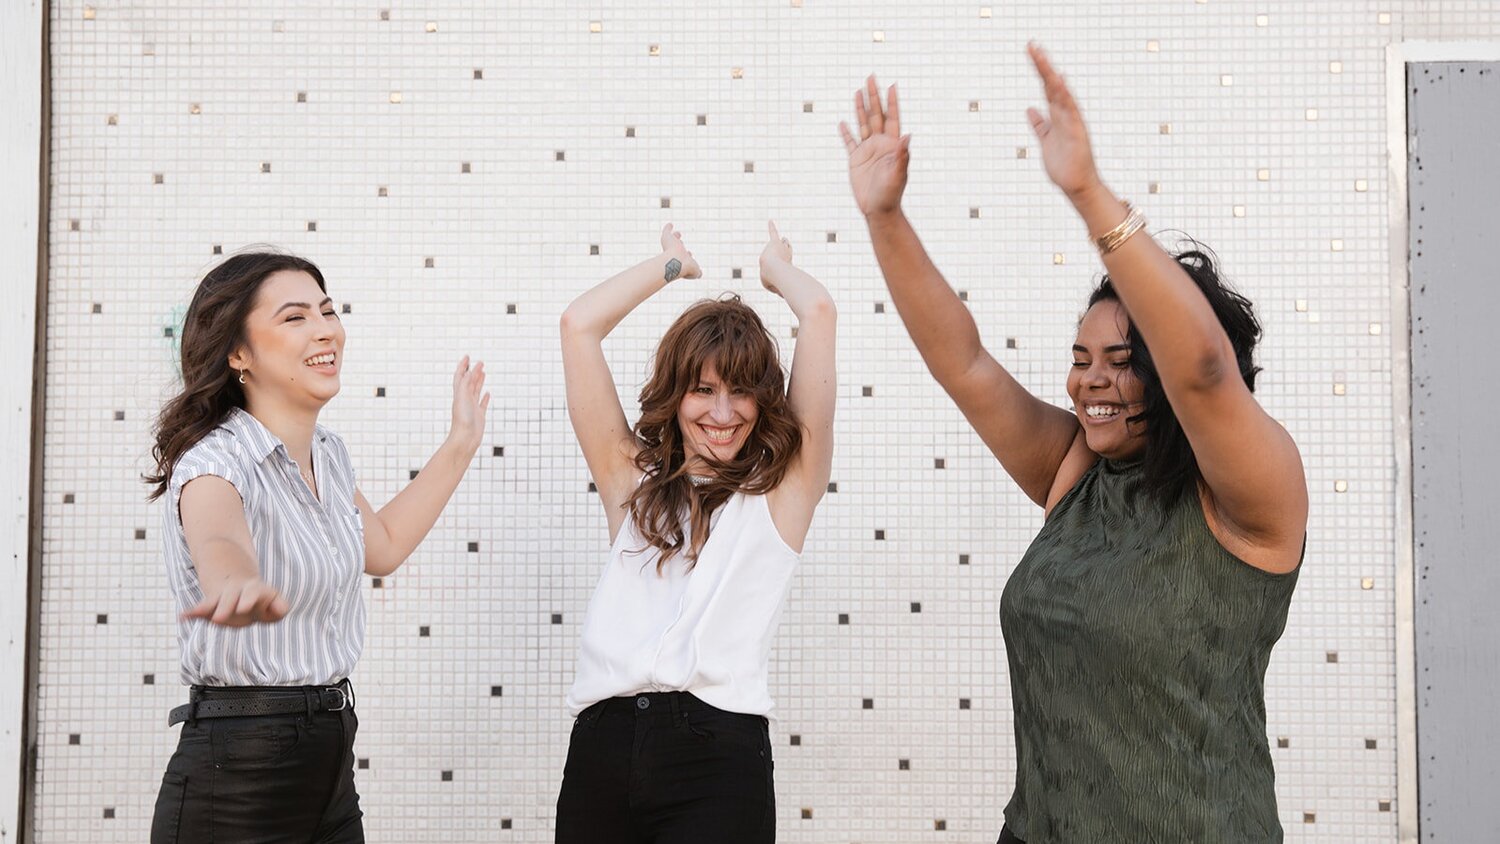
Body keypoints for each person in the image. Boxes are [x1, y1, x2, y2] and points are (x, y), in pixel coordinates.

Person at [841, 44, 1307, 843]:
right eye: (1081, 359)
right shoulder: (1076, 473)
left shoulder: (1252, 498)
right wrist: (884, 217)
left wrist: (1090, 197)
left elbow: (1201, 371)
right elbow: (964, 363)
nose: (1092, 382)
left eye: (1124, 365)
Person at [144, 251, 489, 843]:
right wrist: (235, 583)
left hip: (328, 755)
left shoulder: (327, 452)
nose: (327, 329)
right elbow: (220, 540)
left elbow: (379, 548)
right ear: (237, 354)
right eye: (295, 317)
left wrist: (459, 443)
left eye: (328, 312)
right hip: (239, 775)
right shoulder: (214, 464)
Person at [555, 223, 836, 843]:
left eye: (741, 391)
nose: (722, 412)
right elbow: (578, 326)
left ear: (765, 400)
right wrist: (671, 265)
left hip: (718, 759)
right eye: (703, 390)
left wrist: (774, 270)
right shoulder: (631, 481)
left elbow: (817, 311)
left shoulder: (784, 493)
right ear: (675, 395)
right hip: (602, 747)